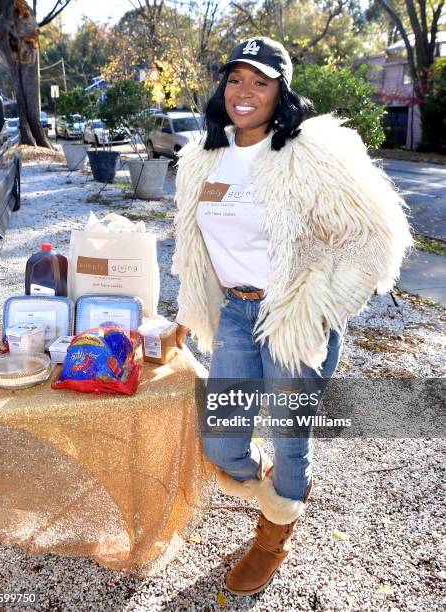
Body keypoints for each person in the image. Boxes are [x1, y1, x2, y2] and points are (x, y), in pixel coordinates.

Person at [171, 37, 412, 596]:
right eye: (236, 79)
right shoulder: (203, 155)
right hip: (235, 313)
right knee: (225, 444)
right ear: (222, 88)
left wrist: (324, 304)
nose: (245, 92)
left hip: (292, 318)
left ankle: (273, 535)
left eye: (260, 81)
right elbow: (193, 245)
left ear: (281, 90)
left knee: (288, 436)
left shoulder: (312, 151)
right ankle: (280, 493)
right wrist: (189, 313)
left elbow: (379, 237)